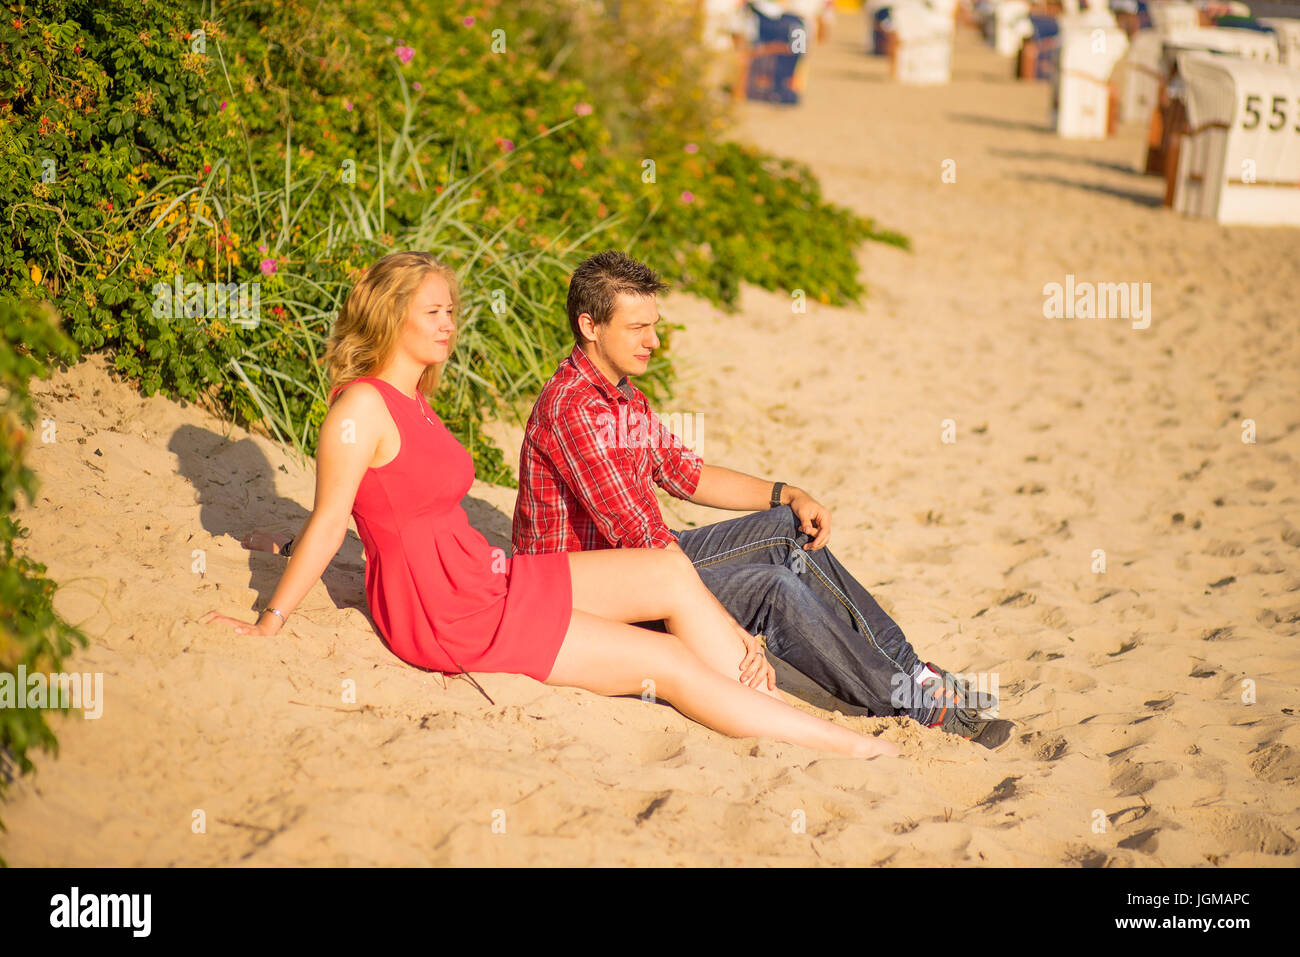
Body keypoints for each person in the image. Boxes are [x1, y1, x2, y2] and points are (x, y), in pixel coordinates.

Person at [204, 251, 898, 760]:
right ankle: (838, 740)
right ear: (392, 315)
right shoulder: (361, 406)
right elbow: (335, 516)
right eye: (435, 312)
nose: (450, 324)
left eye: (452, 310)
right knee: (673, 662)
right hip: (452, 614)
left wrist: (283, 544)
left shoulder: (415, 401)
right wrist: (270, 619)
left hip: (491, 575)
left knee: (669, 571)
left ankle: (765, 690)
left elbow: (371, 506)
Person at [512, 251, 1014, 748]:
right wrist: (727, 627)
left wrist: (786, 493)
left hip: (640, 565)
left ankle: (913, 671)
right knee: (774, 586)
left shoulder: (619, 395)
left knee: (787, 526)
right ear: (590, 326)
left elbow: (684, 474)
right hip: (592, 594)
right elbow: (641, 542)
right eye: (638, 328)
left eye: (655, 324)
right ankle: (918, 704)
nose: (654, 341)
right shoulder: (576, 409)